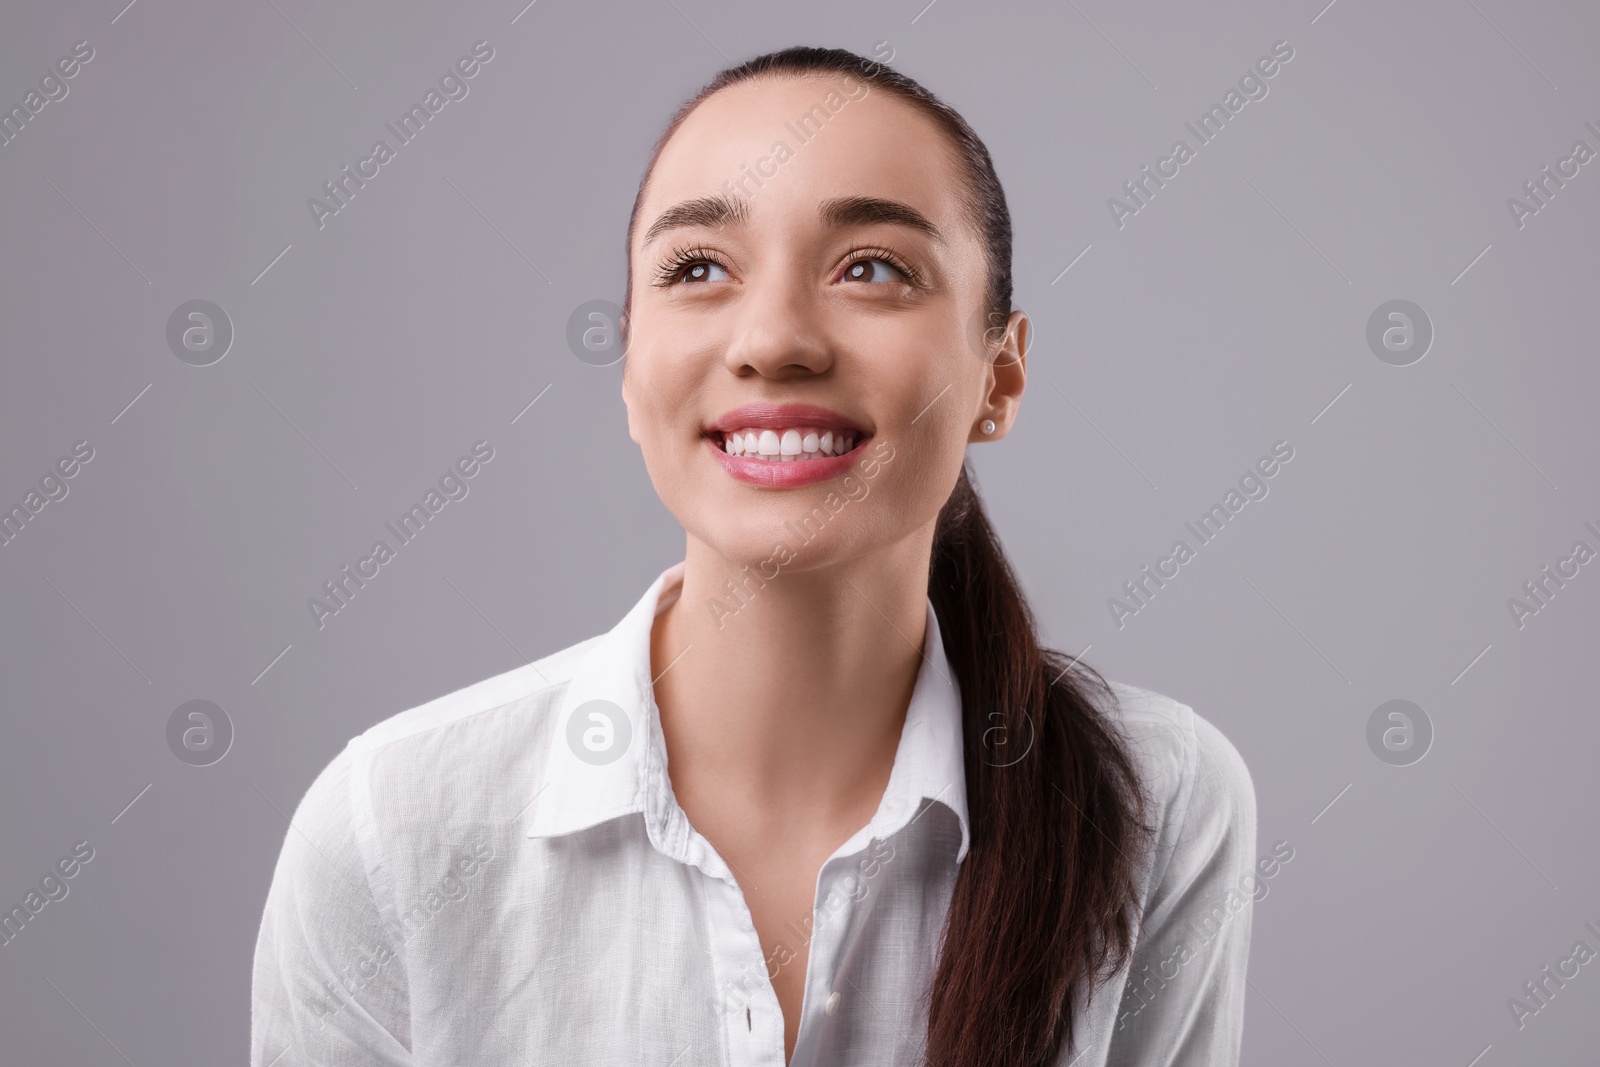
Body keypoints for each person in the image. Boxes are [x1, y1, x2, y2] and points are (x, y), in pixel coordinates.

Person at [251, 45, 1257, 1067]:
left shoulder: (1157, 798)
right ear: (630, 362)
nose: (773, 339)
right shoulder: (393, 824)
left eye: (871, 267)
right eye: (698, 269)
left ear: (999, 375)